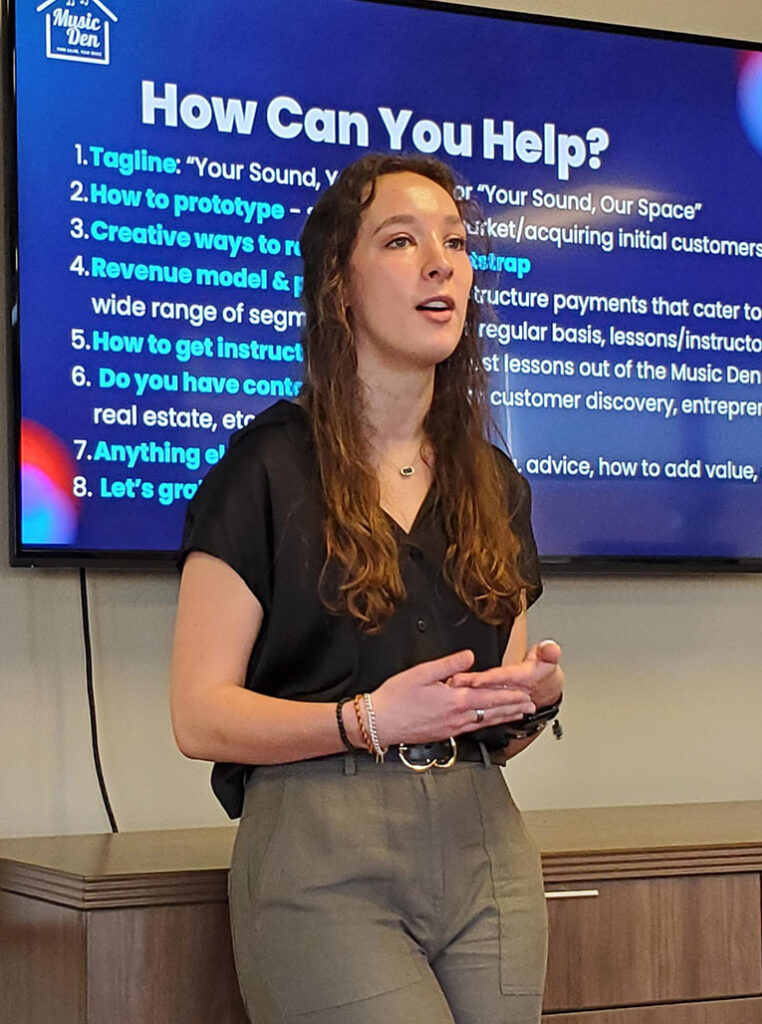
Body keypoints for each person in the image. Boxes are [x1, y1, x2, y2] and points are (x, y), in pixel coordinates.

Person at [170, 152, 564, 1024]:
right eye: (401, 240)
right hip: (321, 850)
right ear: (337, 289)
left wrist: (530, 698)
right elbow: (198, 716)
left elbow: (490, 723)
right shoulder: (263, 469)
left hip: (483, 840)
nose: (440, 262)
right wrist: (365, 720)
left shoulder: (493, 482)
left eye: (455, 243)